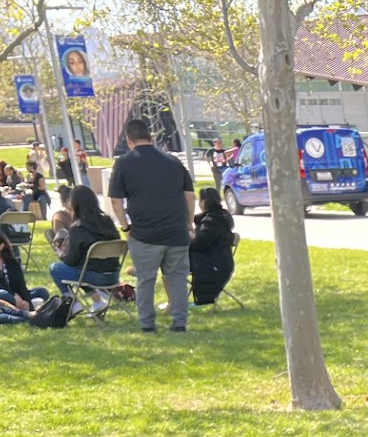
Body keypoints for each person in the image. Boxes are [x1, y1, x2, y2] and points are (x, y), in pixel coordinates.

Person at [108, 116, 196, 333]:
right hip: (176, 231)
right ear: (150, 137)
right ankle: (179, 323)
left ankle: (147, 324)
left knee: (146, 280)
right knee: (177, 279)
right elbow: (189, 195)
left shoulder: (123, 164)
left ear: (129, 141)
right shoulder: (173, 162)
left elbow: (116, 202)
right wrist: (189, 223)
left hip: (144, 233)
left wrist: (125, 228)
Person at [49, 184, 122, 302]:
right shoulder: (108, 221)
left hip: (93, 277)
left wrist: (61, 254)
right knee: (83, 268)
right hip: (113, 276)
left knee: (55, 268)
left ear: (74, 204)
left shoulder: (78, 228)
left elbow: (71, 261)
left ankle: (72, 302)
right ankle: (97, 302)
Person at [189, 185, 237, 306]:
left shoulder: (211, 221)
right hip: (219, 261)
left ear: (203, 202)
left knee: (172, 267)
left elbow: (199, 243)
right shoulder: (220, 217)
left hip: (213, 265)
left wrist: (189, 238)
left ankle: (174, 302)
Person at [0, 228, 40, 313]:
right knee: (2, 294)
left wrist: (27, 302)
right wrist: (14, 295)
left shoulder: (11, 261)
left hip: (15, 294)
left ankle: (25, 306)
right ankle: (19, 310)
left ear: (1, 245)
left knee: (41, 292)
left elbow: (21, 284)